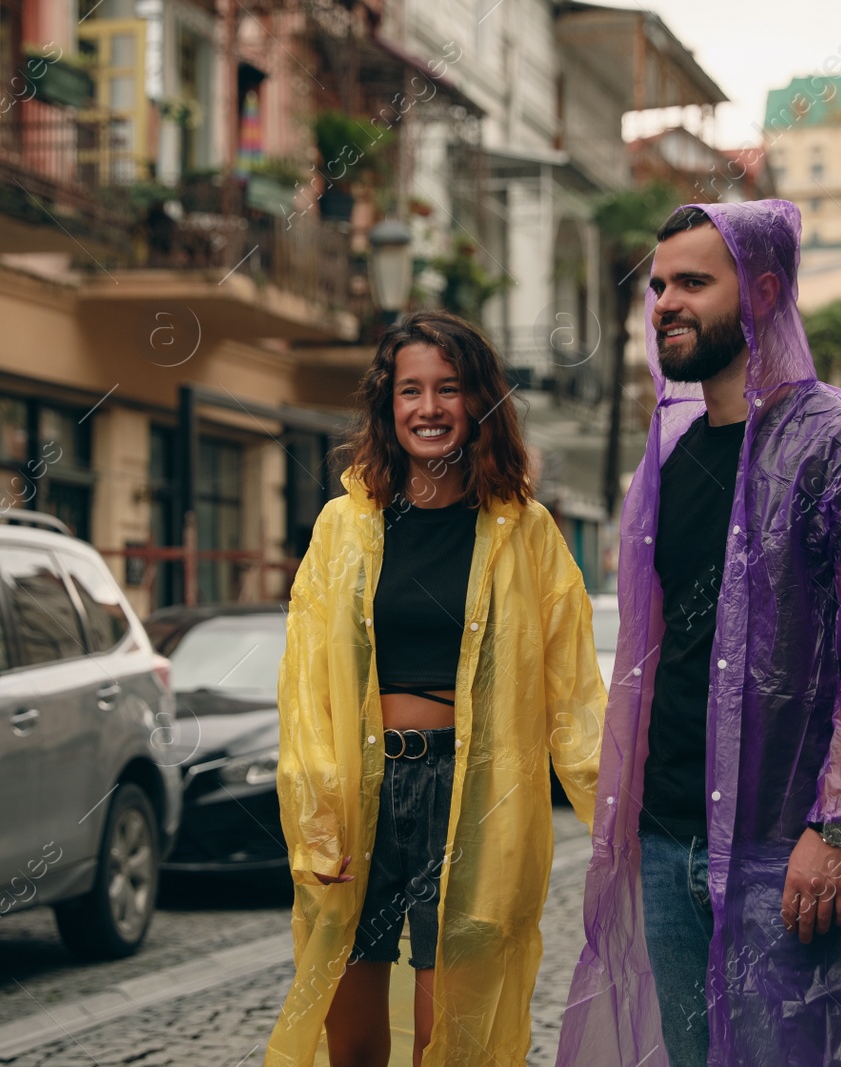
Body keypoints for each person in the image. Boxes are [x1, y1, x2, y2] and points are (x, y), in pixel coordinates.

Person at [555, 201, 841, 1067]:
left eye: (694, 281)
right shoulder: (670, 458)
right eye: (658, 285)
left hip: (785, 847)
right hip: (666, 841)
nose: (664, 302)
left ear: (763, 292)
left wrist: (837, 827)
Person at [266, 310, 606, 1067]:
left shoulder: (528, 533)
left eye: (448, 388)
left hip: (474, 795)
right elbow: (305, 686)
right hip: (363, 793)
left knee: (447, 1033)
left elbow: (573, 692)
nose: (428, 408)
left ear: (477, 401)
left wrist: (616, 814)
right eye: (410, 390)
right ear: (388, 408)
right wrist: (318, 811)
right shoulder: (342, 529)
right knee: (350, 1037)